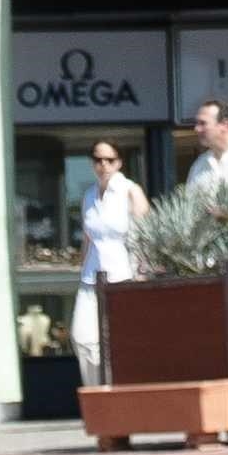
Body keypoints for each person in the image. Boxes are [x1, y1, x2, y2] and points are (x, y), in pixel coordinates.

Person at [69, 141, 150, 382]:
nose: (103, 165)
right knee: (82, 338)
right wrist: (80, 265)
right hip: (91, 276)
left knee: (122, 341)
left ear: (119, 162)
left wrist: (142, 273)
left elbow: (146, 234)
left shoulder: (130, 191)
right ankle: (97, 395)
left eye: (110, 160)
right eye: (98, 160)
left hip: (123, 276)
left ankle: (123, 394)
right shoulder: (89, 195)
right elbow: (87, 237)